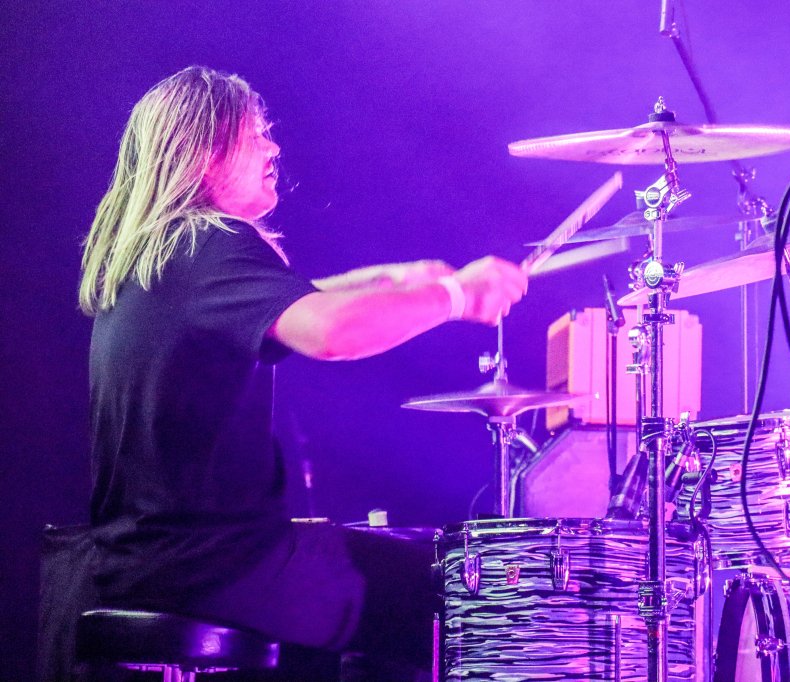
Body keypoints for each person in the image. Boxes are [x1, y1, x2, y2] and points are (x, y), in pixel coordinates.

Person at [77, 65, 527, 672]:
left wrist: (392, 281)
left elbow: (290, 303)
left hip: (143, 560)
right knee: (457, 589)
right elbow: (329, 332)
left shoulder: (159, 257)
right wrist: (458, 297)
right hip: (215, 566)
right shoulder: (212, 241)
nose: (273, 148)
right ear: (205, 154)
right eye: (256, 134)